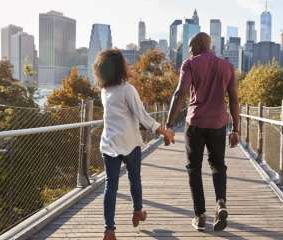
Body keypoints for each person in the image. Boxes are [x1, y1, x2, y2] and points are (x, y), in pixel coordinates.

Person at [94, 49, 175, 240]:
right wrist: (163, 130)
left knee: (110, 186)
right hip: (129, 143)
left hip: (109, 144)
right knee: (134, 179)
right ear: (119, 68)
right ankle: (138, 211)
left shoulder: (104, 91)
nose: (128, 65)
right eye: (125, 63)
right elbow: (142, 116)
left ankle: (109, 230)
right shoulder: (127, 89)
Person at [166, 32, 240, 231]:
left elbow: (180, 92)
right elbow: (234, 99)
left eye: (190, 47)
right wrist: (236, 129)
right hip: (218, 124)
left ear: (199, 45)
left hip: (196, 123)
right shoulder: (228, 66)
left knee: (194, 169)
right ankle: (221, 203)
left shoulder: (190, 64)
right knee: (218, 166)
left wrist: (169, 124)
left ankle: (199, 216)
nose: (189, 51)